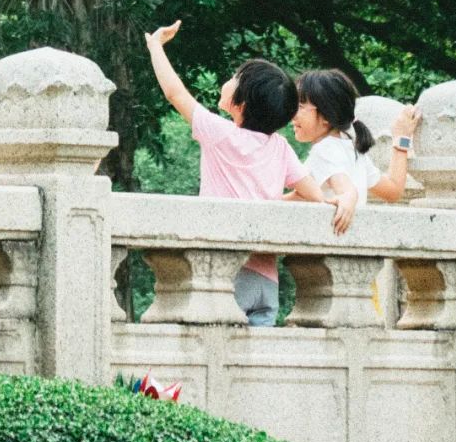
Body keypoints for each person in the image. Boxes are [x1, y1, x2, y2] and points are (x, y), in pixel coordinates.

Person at [145, 20, 355, 327]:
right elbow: (313, 195)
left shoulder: (219, 133)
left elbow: (175, 92)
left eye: (234, 78)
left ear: (240, 102)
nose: (228, 80)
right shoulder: (280, 147)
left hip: (225, 273)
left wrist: (155, 46)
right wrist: (341, 200)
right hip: (266, 280)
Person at [292, 69, 420, 228]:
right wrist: (402, 138)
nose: (292, 114)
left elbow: (345, 188)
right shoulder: (352, 151)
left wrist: (348, 195)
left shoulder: (325, 150)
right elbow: (393, 190)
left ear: (325, 115)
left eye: (299, 106)